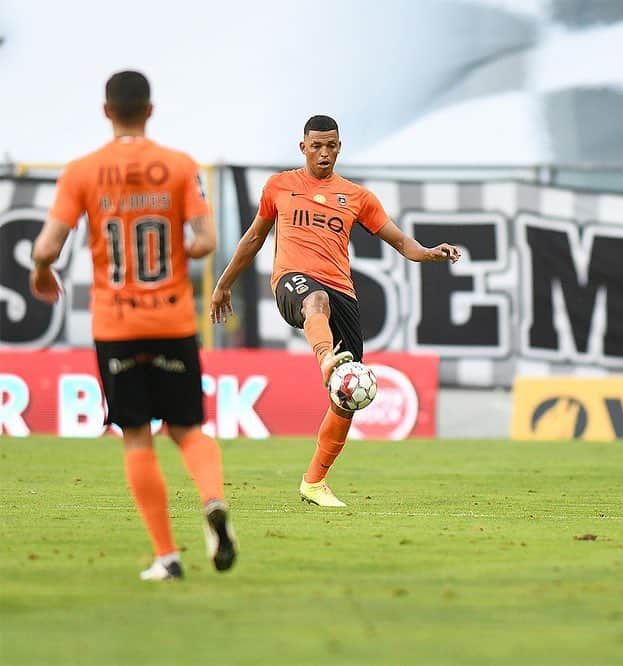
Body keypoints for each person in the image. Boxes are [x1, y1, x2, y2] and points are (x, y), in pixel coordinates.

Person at [30, 71, 237, 581]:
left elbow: (47, 247)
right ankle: (213, 502)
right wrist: (179, 250)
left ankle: (167, 556)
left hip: (116, 323)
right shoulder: (179, 165)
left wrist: (40, 272)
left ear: (107, 111)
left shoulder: (82, 171)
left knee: (137, 436)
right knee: (188, 429)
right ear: (150, 110)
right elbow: (207, 240)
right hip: (170, 318)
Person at [209, 115, 460, 507]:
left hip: (343, 294)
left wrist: (428, 252)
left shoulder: (357, 197)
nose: (323, 153)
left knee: (347, 399)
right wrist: (223, 284)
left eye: (331, 146)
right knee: (316, 301)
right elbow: (254, 237)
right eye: (316, 146)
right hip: (293, 282)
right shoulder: (279, 186)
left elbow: (398, 240)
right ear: (303, 147)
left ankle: (314, 481)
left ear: (339, 147)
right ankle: (326, 358)